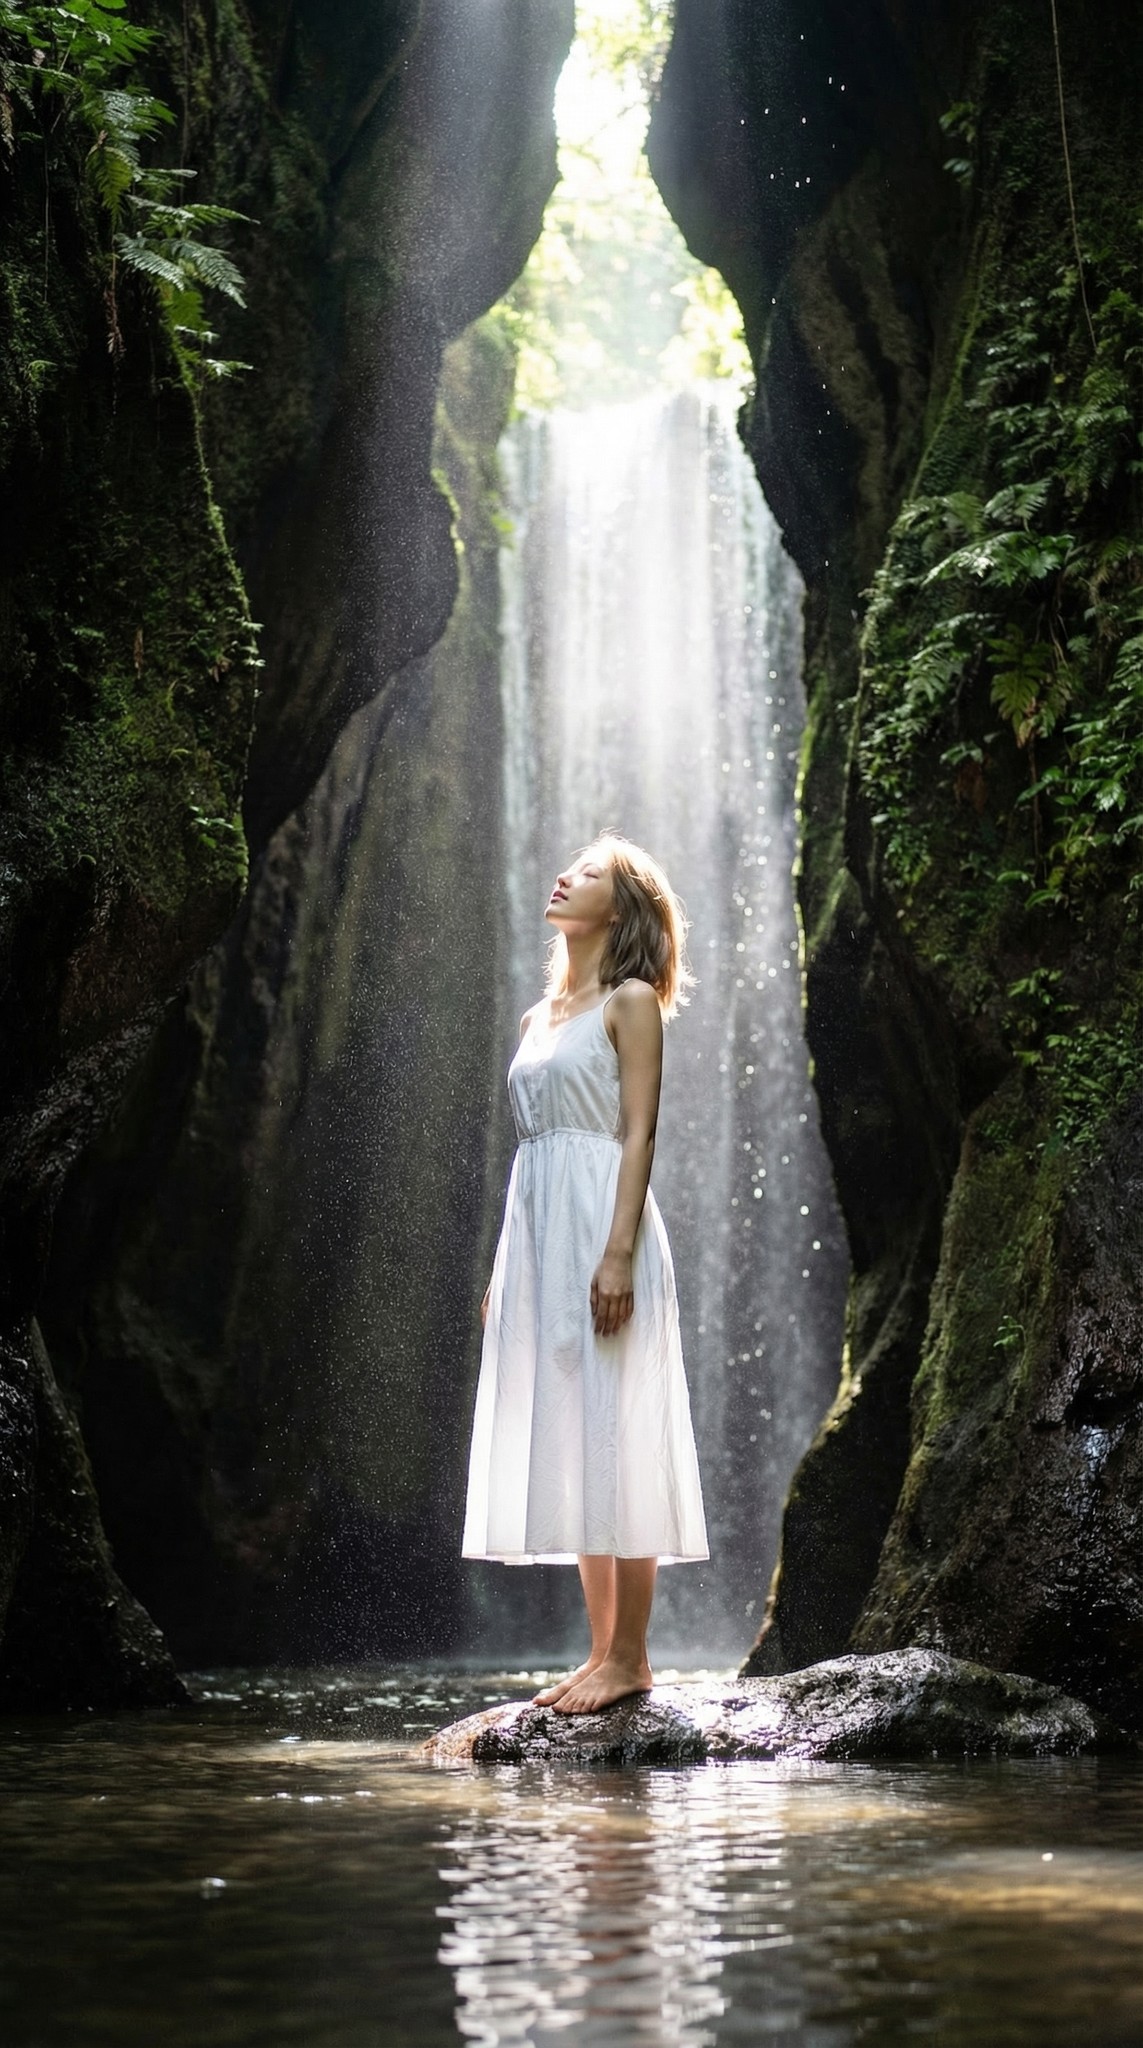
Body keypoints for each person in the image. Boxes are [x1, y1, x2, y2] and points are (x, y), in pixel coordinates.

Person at [461, 828, 709, 1714]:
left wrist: (617, 1254)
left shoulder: (630, 1001)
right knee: (575, 1437)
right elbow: (531, 1154)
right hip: (542, 1239)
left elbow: (638, 1132)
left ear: (624, 906)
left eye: (590, 872)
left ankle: (632, 1658)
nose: (565, 876)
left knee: (620, 1429)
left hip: (607, 1231)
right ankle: (600, 1651)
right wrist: (506, 1272)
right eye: (569, 866)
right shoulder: (539, 1019)